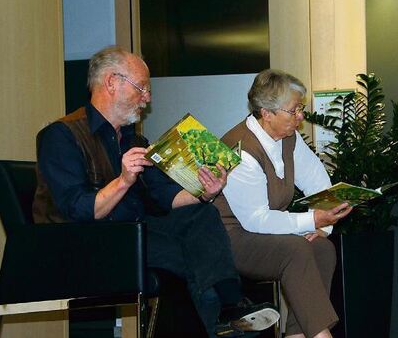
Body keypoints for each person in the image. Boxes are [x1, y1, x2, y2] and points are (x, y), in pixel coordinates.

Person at [32, 46, 279, 337]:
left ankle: (229, 307)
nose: (147, 99)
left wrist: (205, 190)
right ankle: (225, 317)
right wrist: (123, 180)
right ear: (111, 82)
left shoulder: (134, 139)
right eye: (142, 88)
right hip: (87, 243)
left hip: (136, 234)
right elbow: (79, 209)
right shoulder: (61, 135)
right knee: (188, 257)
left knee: (201, 214)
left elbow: (166, 196)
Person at [213, 69, 353, 338]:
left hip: (267, 231)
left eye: (300, 108)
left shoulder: (289, 138)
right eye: (293, 111)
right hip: (233, 238)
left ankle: (298, 335)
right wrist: (312, 220)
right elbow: (256, 220)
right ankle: (321, 335)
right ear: (267, 113)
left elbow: (317, 182)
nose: (300, 117)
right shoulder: (239, 150)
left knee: (322, 248)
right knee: (296, 250)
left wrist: (326, 223)